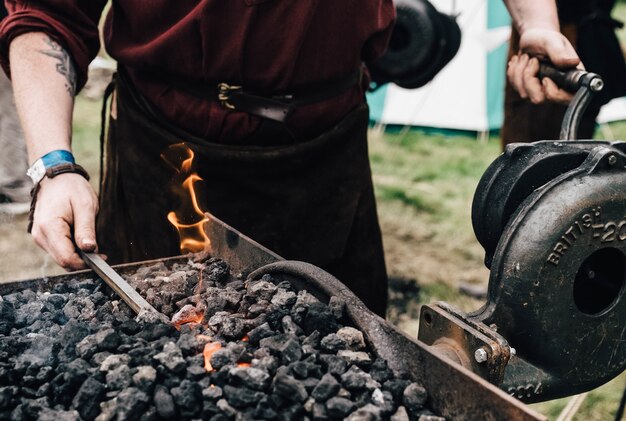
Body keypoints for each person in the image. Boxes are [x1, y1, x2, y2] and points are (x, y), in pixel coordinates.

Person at [0, 0, 580, 317]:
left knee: (342, 352)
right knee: (156, 354)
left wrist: (535, 22)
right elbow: (46, 15)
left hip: (325, 153)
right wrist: (53, 164)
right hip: (170, 155)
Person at [502, 0, 626, 146]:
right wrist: (539, 27)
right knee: (532, 146)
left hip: (593, 38)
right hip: (545, 45)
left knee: (581, 146)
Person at [0, 2, 29, 214]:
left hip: (7, 36)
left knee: (9, 112)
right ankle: (15, 187)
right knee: (8, 113)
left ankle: (15, 187)